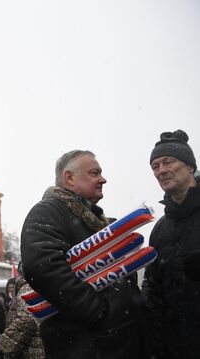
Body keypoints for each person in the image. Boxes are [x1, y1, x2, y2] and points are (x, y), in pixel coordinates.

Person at [20, 150, 143, 358]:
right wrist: (97, 312)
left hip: (116, 342)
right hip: (85, 345)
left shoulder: (98, 220)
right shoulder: (48, 212)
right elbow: (43, 267)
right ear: (69, 178)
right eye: (94, 173)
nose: (103, 179)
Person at [143, 130, 200, 358]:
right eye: (155, 166)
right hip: (176, 347)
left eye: (168, 162)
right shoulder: (160, 228)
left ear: (190, 166)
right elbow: (153, 289)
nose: (161, 171)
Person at [0, 262, 45, 359]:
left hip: (30, 351)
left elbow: (26, 320)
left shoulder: (27, 287)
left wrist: (2, 347)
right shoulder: (40, 284)